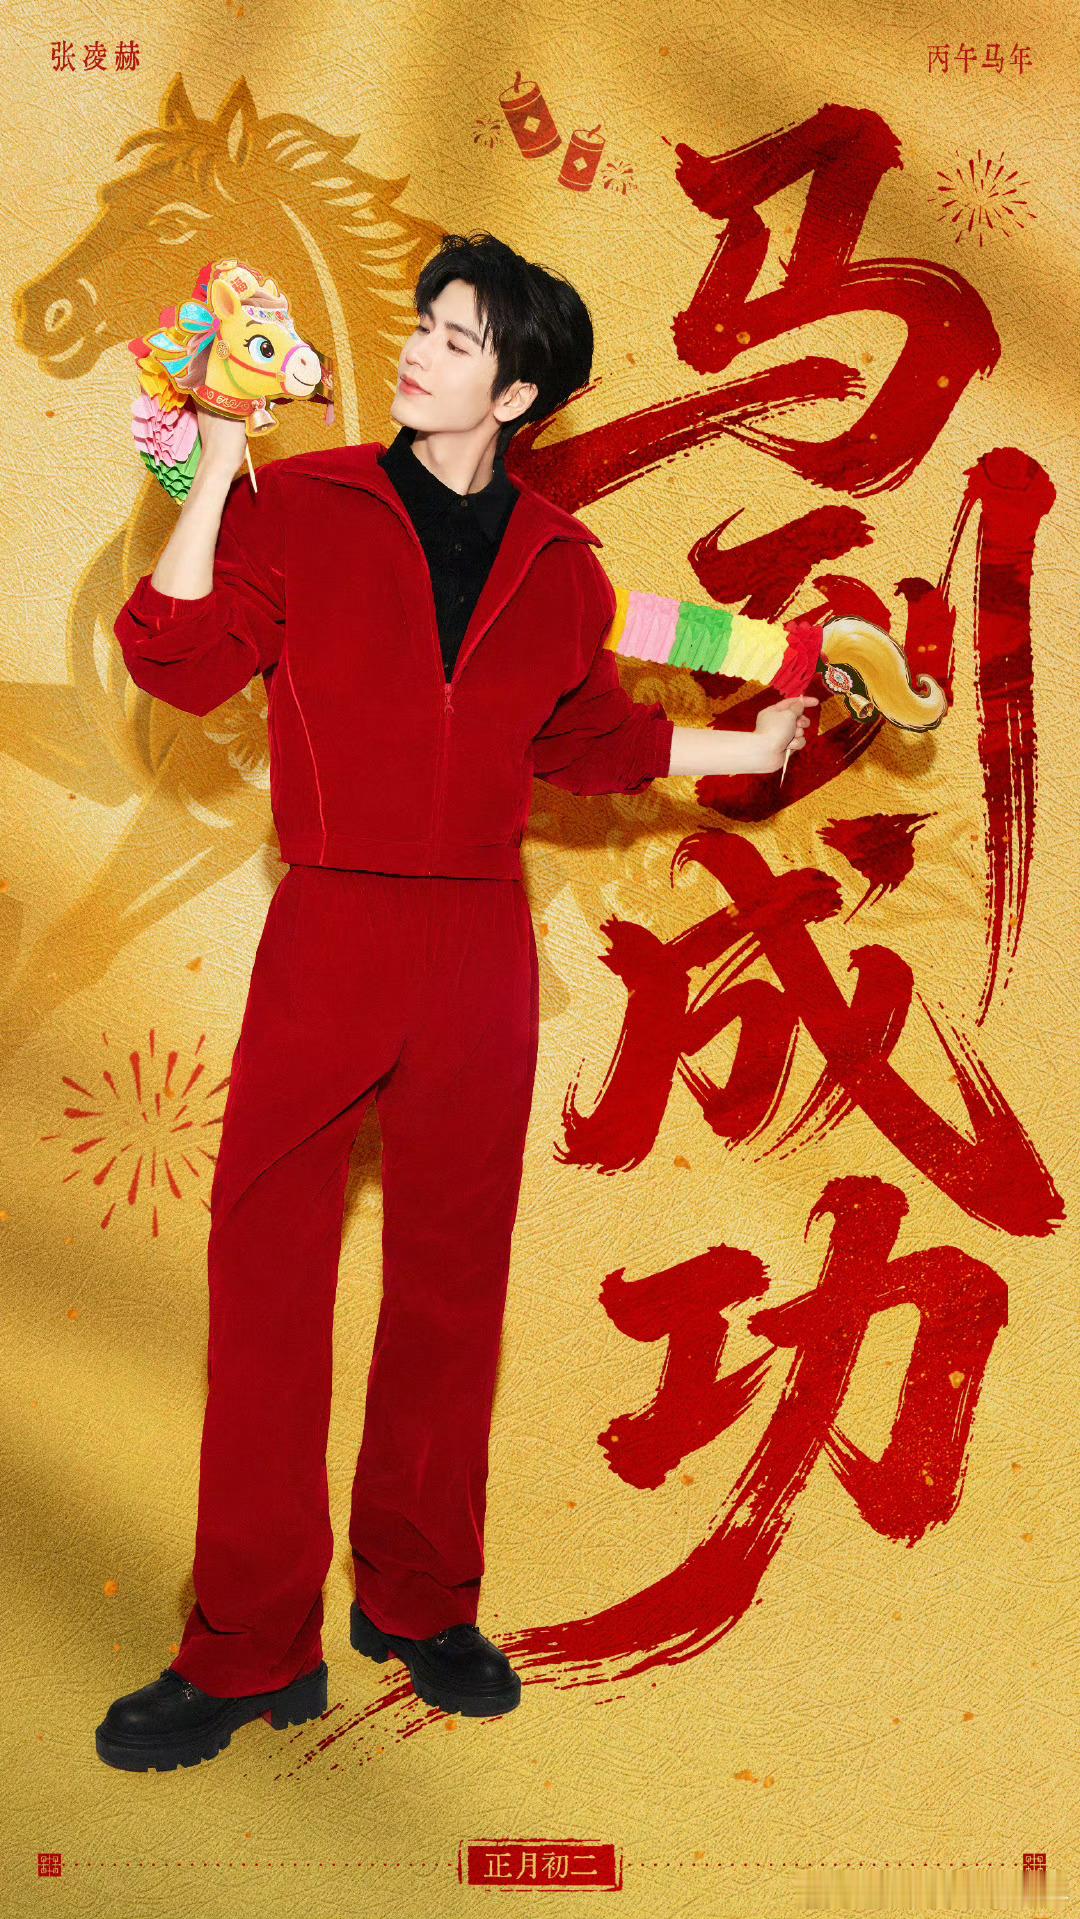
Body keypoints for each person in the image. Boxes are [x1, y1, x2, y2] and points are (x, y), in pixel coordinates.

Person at [96, 231, 814, 1772]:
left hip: (481, 945)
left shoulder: (563, 566)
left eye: (459, 337)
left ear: (521, 391)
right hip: (331, 927)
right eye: (425, 324)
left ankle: (422, 1602)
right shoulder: (304, 503)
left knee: (450, 1289)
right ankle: (244, 1646)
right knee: (268, 1287)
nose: (420, 349)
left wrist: (749, 751)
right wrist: (213, 468)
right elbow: (180, 661)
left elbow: (594, 746)